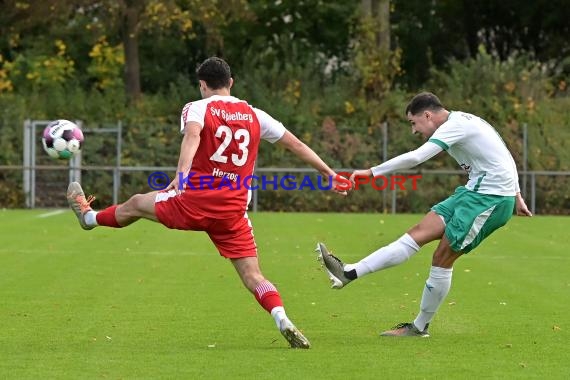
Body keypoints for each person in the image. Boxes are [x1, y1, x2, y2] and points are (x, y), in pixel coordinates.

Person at [67, 56, 347, 349]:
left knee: (137, 203)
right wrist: (329, 173)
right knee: (253, 275)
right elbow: (297, 145)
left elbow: (192, 135)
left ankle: (89, 218)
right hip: (232, 212)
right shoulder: (255, 115)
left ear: (202, 85)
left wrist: (181, 175)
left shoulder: (197, 107)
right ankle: (281, 317)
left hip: (194, 202)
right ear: (231, 83)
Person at [316, 91, 532, 337]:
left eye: (413, 123)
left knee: (442, 258)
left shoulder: (456, 125)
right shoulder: (464, 120)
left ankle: (419, 327)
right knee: (416, 233)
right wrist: (518, 195)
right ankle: (349, 272)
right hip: (473, 192)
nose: (414, 131)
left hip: (490, 201)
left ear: (428, 115)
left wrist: (372, 172)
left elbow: (417, 157)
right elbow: (503, 154)